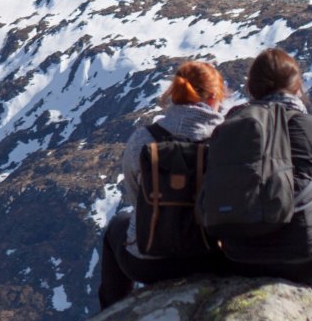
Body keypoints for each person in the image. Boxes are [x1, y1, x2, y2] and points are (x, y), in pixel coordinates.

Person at [215, 48, 312, 296]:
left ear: (252, 86)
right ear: (297, 87)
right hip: (304, 261)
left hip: (237, 259)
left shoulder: (231, 125)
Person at [97, 61, 230, 309]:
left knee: (118, 224)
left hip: (149, 263)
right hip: (210, 258)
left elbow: (136, 195)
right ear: (214, 98)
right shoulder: (226, 141)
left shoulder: (144, 139)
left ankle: (113, 311)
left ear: (175, 94)